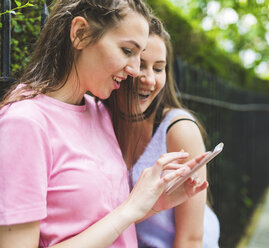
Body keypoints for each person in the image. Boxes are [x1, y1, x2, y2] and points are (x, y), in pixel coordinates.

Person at [0, 1, 209, 247]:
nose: (134, 70)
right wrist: (130, 209)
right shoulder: (25, 123)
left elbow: (101, 222)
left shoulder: (99, 112)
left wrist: (152, 204)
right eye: (127, 51)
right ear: (80, 34)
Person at [106, 17, 220, 248]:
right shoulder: (99, 118)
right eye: (140, 64)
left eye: (159, 68)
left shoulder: (179, 130)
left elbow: (190, 239)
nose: (149, 79)